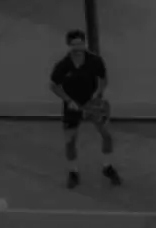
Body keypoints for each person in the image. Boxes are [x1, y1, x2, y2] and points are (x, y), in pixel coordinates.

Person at [49, 29, 122, 190]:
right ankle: (73, 172)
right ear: (69, 45)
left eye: (80, 43)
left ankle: (107, 167)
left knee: (106, 136)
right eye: (74, 44)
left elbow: (103, 79)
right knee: (70, 141)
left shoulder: (95, 61)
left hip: (93, 105)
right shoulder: (63, 65)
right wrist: (68, 100)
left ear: (85, 43)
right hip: (72, 107)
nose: (78, 47)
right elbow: (54, 86)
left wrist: (98, 94)